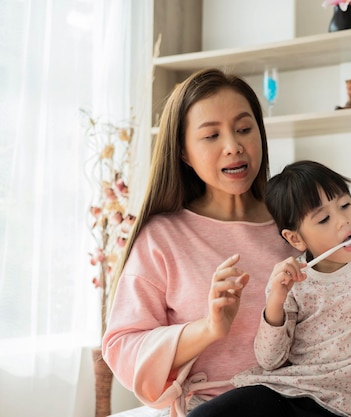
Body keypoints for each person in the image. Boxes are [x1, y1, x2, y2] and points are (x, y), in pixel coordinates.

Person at [101, 68, 300, 417]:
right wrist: (207, 329)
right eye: (211, 136)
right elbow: (122, 346)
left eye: (243, 129)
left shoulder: (296, 224)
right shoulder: (162, 237)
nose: (233, 146)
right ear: (183, 152)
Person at [187, 160, 351, 417]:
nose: (343, 221)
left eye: (346, 205)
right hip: (294, 391)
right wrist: (276, 301)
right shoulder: (291, 282)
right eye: (324, 219)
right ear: (296, 238)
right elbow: (270, 361)